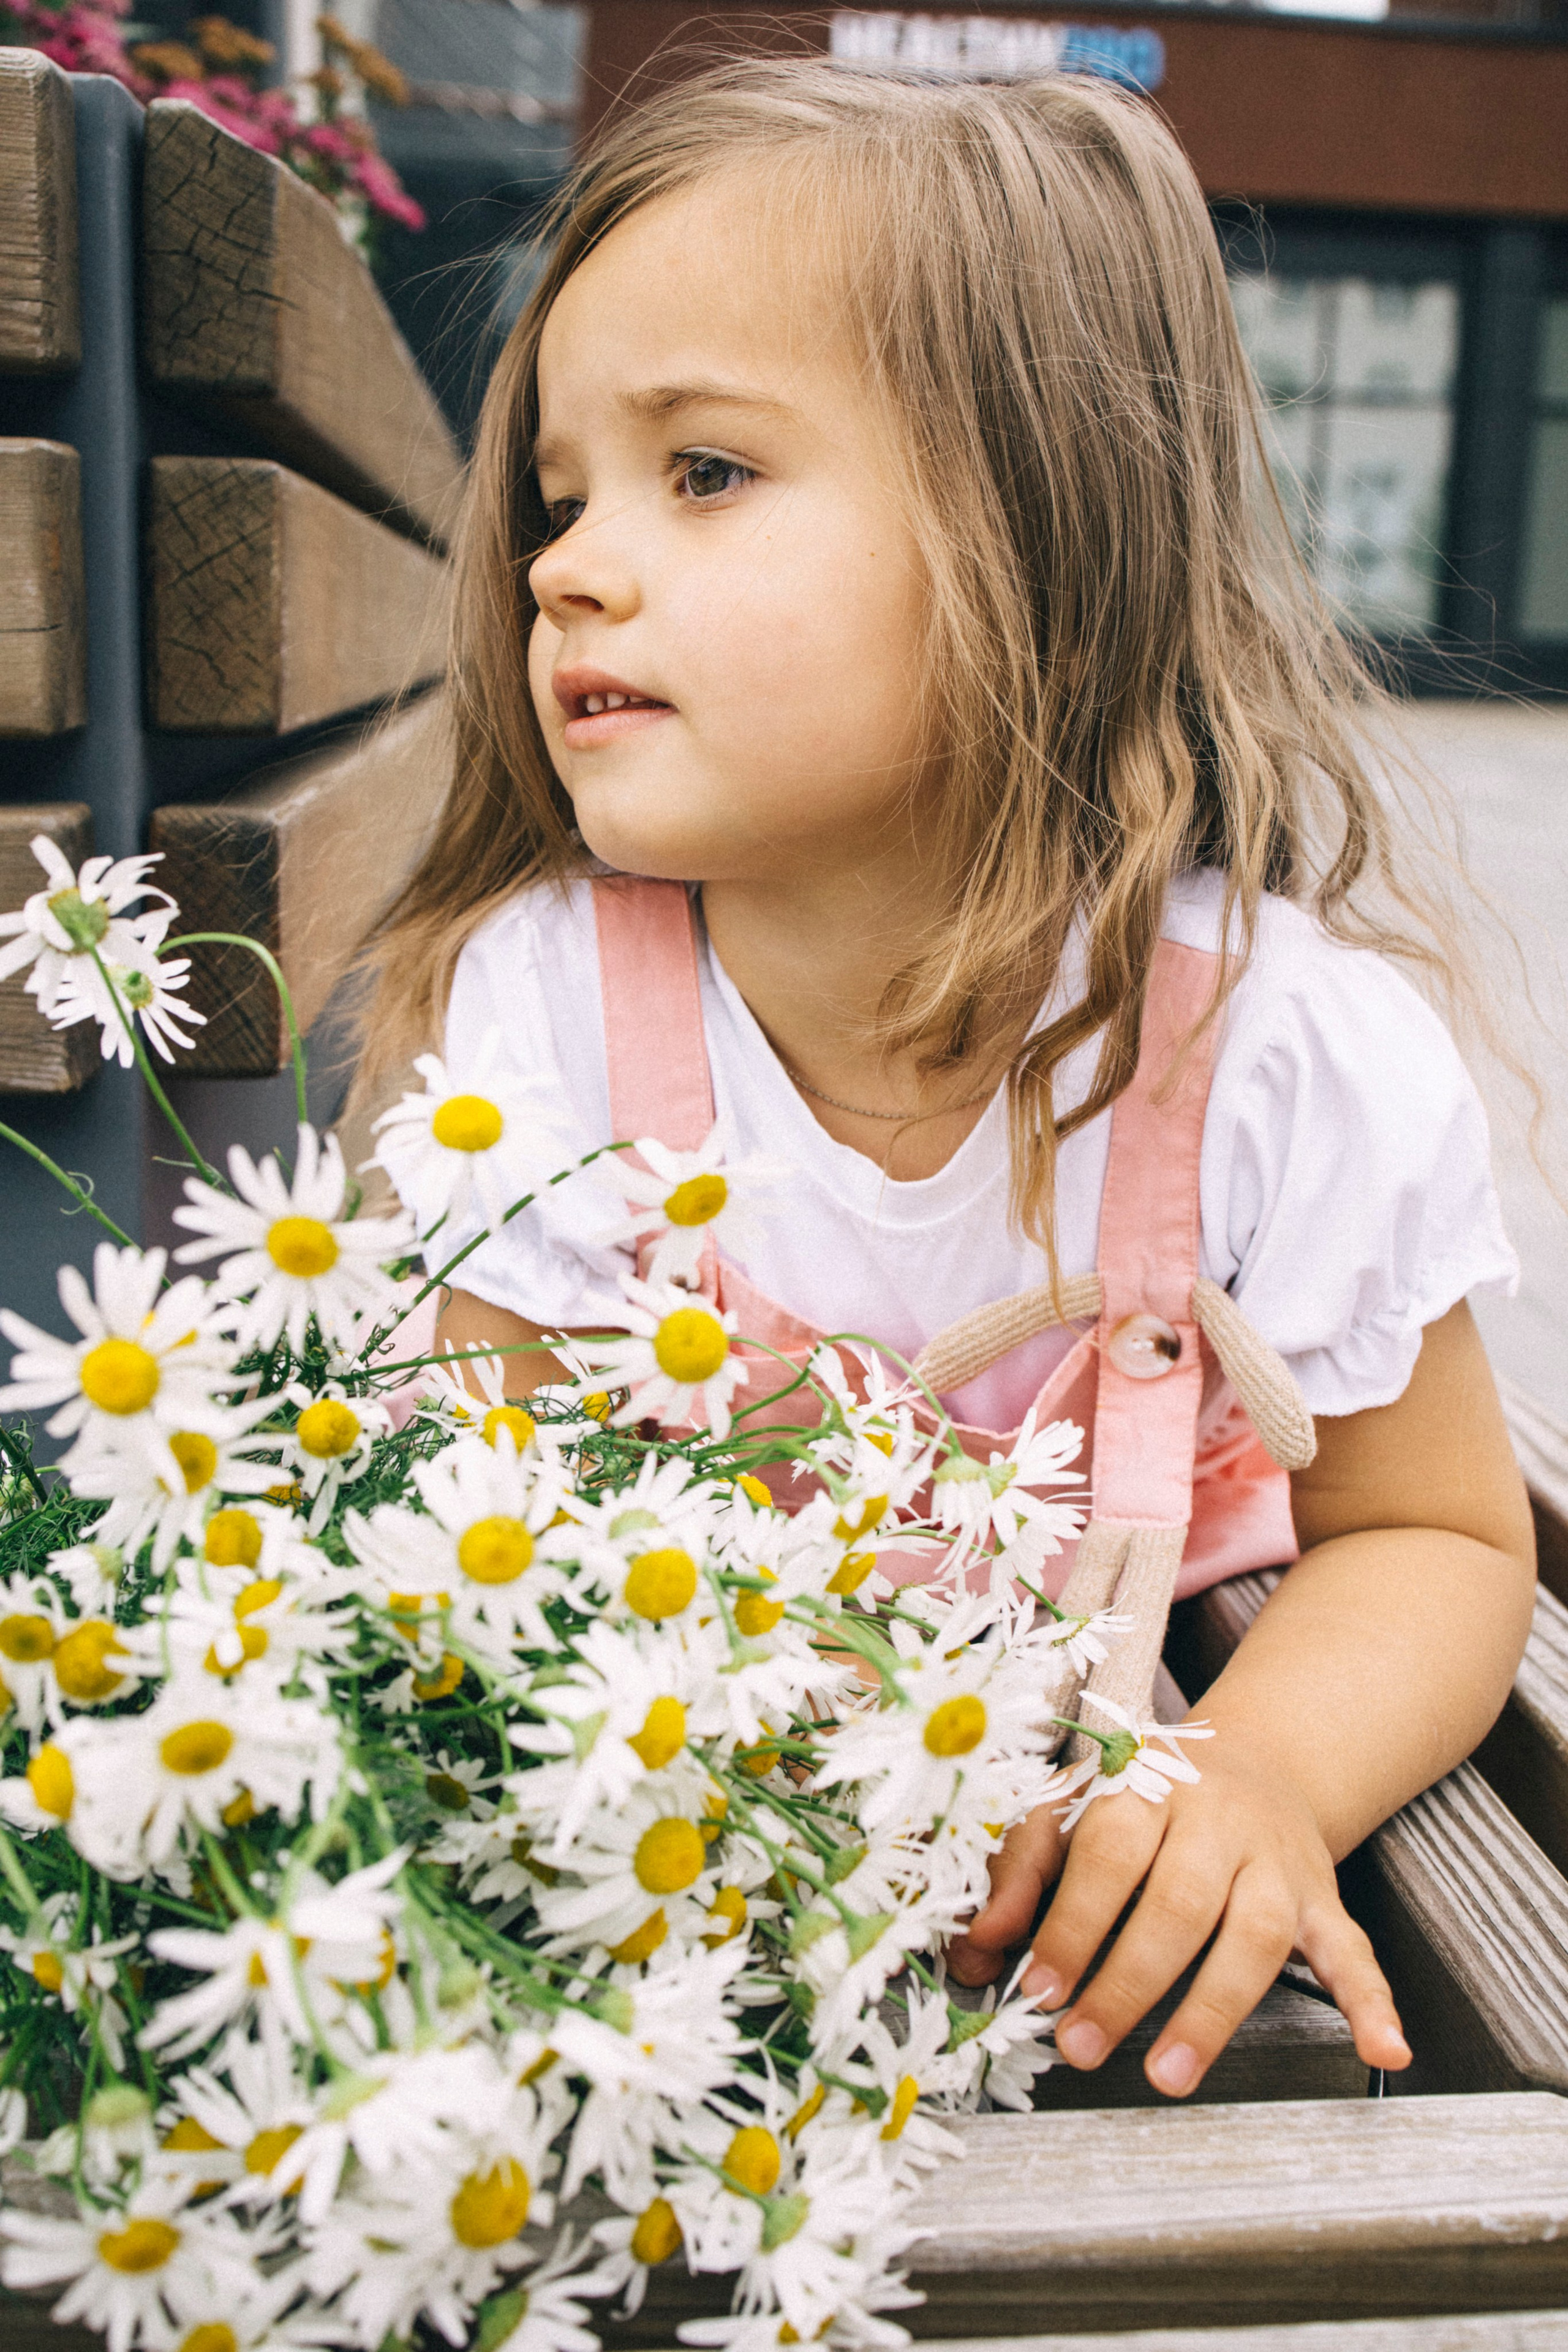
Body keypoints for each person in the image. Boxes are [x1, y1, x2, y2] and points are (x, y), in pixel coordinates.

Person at [356, 60, 1536, 2101]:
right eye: (561, 497)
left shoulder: (1273, 1048)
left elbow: (1435, 1538)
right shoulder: (541, 1022)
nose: (565, 566)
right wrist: (808, 1722)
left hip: (1110, 1835)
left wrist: (1256, 1772)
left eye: (703, 473)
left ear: (1040, 528)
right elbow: (501, 1531)